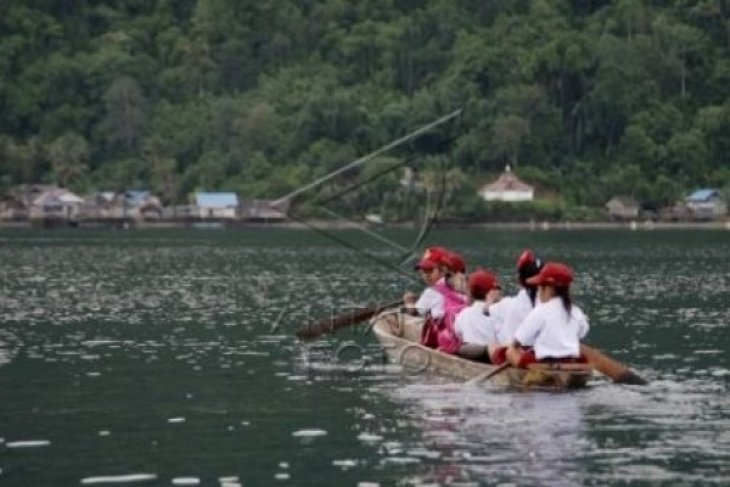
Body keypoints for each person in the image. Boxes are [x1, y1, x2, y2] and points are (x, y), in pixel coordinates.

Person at [505, 262, 589, 368]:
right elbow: (582, 332)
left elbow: (517, 341)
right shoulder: (576, 311)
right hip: (571, 362)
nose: (538, 291)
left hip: (545, 365)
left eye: (539, 287)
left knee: (510, 351)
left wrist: (516, 349)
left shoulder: (540, 310)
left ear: (549, 289)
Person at [487, 249, 544, 364]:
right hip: (543, 356)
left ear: (519, 281)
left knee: (492, 346)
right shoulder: (553, 303)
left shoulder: (510, 304)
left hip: (521, 357)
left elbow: (486, 311)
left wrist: (490, 302)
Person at [453, 269, 502, 362]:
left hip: (469, 357)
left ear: (471, 292)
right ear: (492, 293)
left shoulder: (464, 313)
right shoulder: (498, 313)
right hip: (491, 359)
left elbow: (457, 332)